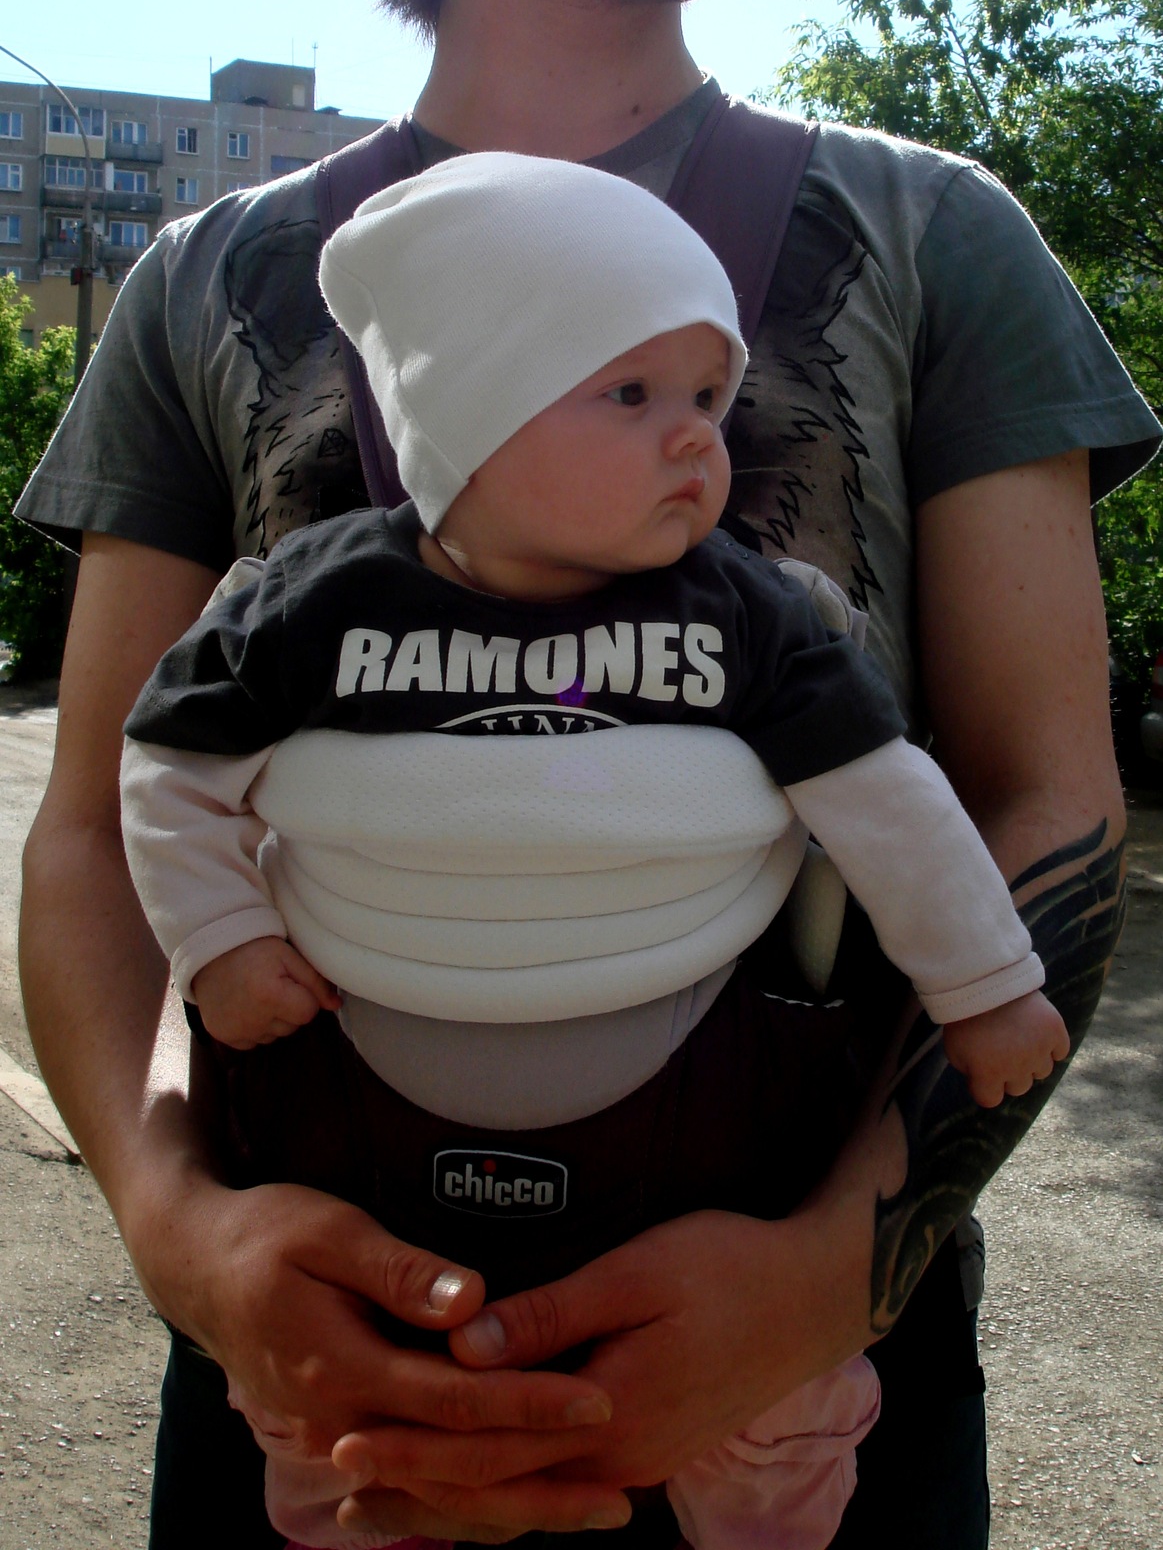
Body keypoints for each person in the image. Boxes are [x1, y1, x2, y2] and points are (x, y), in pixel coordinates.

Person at [16, 0, 1158, 1550]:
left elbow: (1043, 800)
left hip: (809, 1426)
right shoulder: (214, 281)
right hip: (317, 1411)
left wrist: (830, 1274)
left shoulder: (932, 237)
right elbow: (108, 822)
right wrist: (189, 1235)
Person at [119, 153, 1069, 1549]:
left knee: (773, 1404)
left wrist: (986, 985)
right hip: (352, 1078)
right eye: (631, 396)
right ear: (468, 413)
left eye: (709, 399)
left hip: (702, 1086)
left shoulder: (747, 610)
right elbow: (167, 769)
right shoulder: (312, 601)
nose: (697, 441)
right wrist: (221, 941)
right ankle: (337, 1480)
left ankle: (768, 1471)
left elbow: (888, 800)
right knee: (340, 1391)